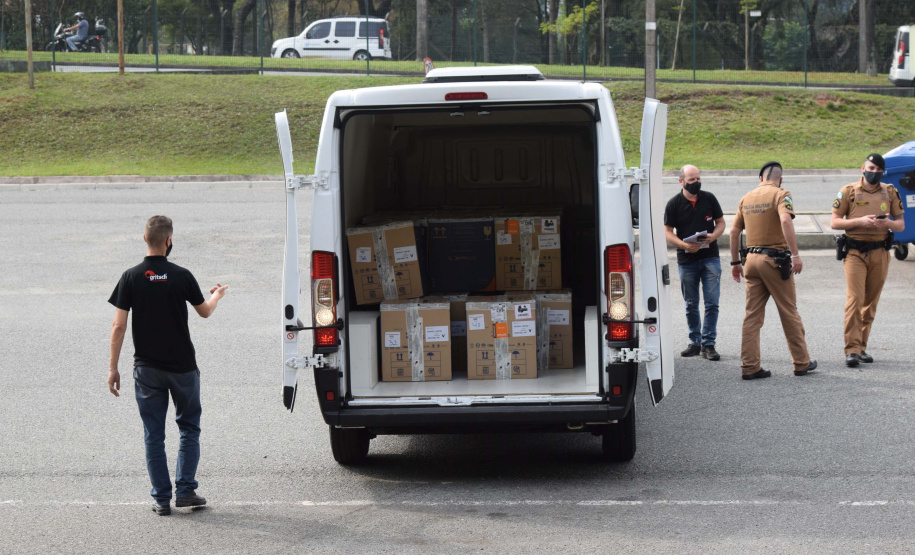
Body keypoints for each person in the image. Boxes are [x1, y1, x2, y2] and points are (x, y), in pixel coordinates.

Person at [107, 215, 229, 516]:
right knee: (188, 428)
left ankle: (162, 499)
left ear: (144, 239)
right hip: (183, 368)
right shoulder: (181, 275)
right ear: (169, 240)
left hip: (147, 370)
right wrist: (216, 296)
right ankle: (185, 491)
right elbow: (204, 313)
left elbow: (119, 326)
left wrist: (113, 367)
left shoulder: (131, 276)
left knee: (153, 434)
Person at [729, 161, 817, 380]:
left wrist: (734, 263)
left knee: (752, 316)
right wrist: (795, 254)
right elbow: (786, 220)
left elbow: (733, 232)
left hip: (750, 261)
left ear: (760, 179)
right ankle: (801, 362)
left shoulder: (746, 198)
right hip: (774, 262)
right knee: (789, 312)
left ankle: (750, 366)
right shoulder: (781, 194)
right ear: (780, 179)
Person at [830, 153, 905, 367]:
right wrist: (860, 221)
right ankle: (851, 349)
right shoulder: (849, 191)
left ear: (883, 172)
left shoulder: (890, 192)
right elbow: (834, 222)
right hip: (855, 252)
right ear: (862, 168)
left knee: (870, 302)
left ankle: (862, 346)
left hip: (880, 252)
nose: (874, 173)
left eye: (878, 170)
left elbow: (901, 225)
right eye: (870, 168)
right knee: (855, 299)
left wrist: (887, 224)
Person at [664, 164, 726, 360]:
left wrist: (713, 236)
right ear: (681, 181)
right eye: (692, 180)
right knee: (691, 304)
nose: (696, 183)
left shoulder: (709, 198)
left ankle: (709, 344)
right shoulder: (673, 204)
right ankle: (694, 342)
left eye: (698, 179)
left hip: (710, 258)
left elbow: (721, 222)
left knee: (712, 304)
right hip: (687, 261)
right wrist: (683, 245)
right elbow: (667, 232)